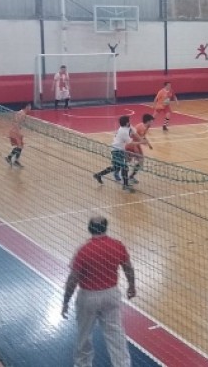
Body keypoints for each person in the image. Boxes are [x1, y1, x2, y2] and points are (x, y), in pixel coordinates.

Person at [62, 216, 136, 367]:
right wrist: (131, 286)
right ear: (105, 227)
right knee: (116, 333)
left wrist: (66, 301)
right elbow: (128, 267)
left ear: (89, 228)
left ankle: (83, 365)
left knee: (84, 334)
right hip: (111, 294)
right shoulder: (117, 245)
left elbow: (73, 279)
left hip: (88, 297)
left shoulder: (84, 250)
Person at [93, 115, 136, 192]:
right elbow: (130, 143)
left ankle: (98, 175)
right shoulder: (124, 132)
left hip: (118, 150)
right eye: (129, 121)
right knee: (125, 167)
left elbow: (131, 131)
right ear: (127, 123)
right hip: (117, 151)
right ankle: (125, 186)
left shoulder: (123, 128)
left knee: (116, 167)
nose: (130, 122)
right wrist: (141, 142)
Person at [124, 113, 154, 184]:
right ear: (148, 121)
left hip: (137, 145)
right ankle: (121, 174)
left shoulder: (147, 127)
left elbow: (142, 136)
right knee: (126, 161)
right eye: (151, 120)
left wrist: (148, 144)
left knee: (140, 161)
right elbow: (132, 136)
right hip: (131, 145)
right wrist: (135, 148)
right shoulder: (139, 127)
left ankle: (131, 176)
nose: (153, 122)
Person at [5, 103, 31, 168]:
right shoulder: (22, 114)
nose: (30, 107)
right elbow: (16, 123)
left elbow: (18, 123)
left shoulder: (22, 113)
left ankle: (10, 157)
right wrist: (18, 133)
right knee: (20, 146)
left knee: (20, 146)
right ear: (26, 107)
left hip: (14, 131)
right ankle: (14, 160)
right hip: (15, 132)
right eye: (29, 106)